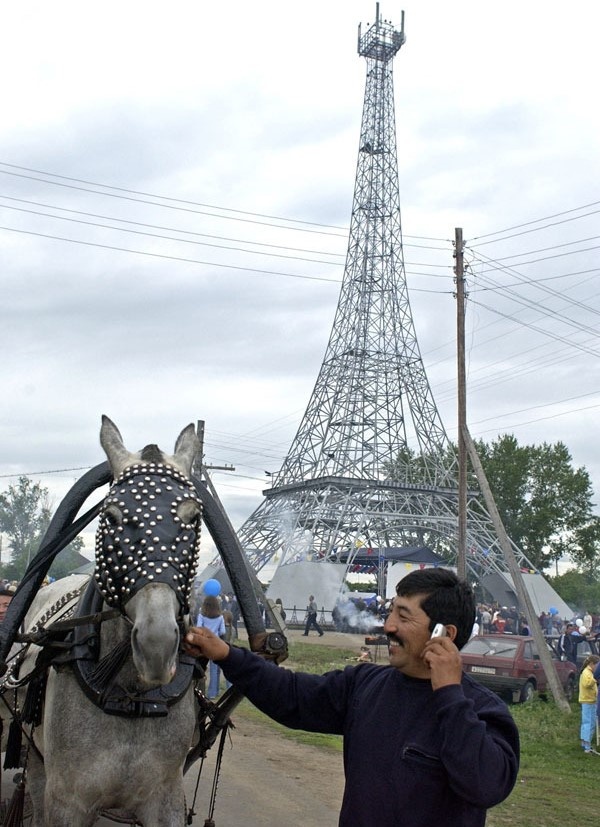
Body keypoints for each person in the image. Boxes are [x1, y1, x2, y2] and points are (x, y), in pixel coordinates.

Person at [184, 568, 520, 826]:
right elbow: (293, 696)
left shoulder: (482, 711)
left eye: (403, 617)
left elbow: (485, 785)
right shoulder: (365, 685)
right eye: (390, 613)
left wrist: (448, 693)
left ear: (443, 635)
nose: (387, 626)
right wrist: (226, 655)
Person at [196, 595, 226, 699]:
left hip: (203, 644)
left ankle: (198, 689)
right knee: (214, 670)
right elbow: (223, 631)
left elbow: (199, 627)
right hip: (215, 643)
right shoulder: (220, 617)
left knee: (201, 669)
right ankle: (213, 692)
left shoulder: (201, 616)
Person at [578, 654, 600, 754]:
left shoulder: (588, 672)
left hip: (588, 700)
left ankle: (584, 743)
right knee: (589, 723)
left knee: (585, 722)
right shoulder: (587, 673)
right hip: (588, 701)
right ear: (592, 664)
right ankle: (587, 745)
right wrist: (595, 679)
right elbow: (587, 684)